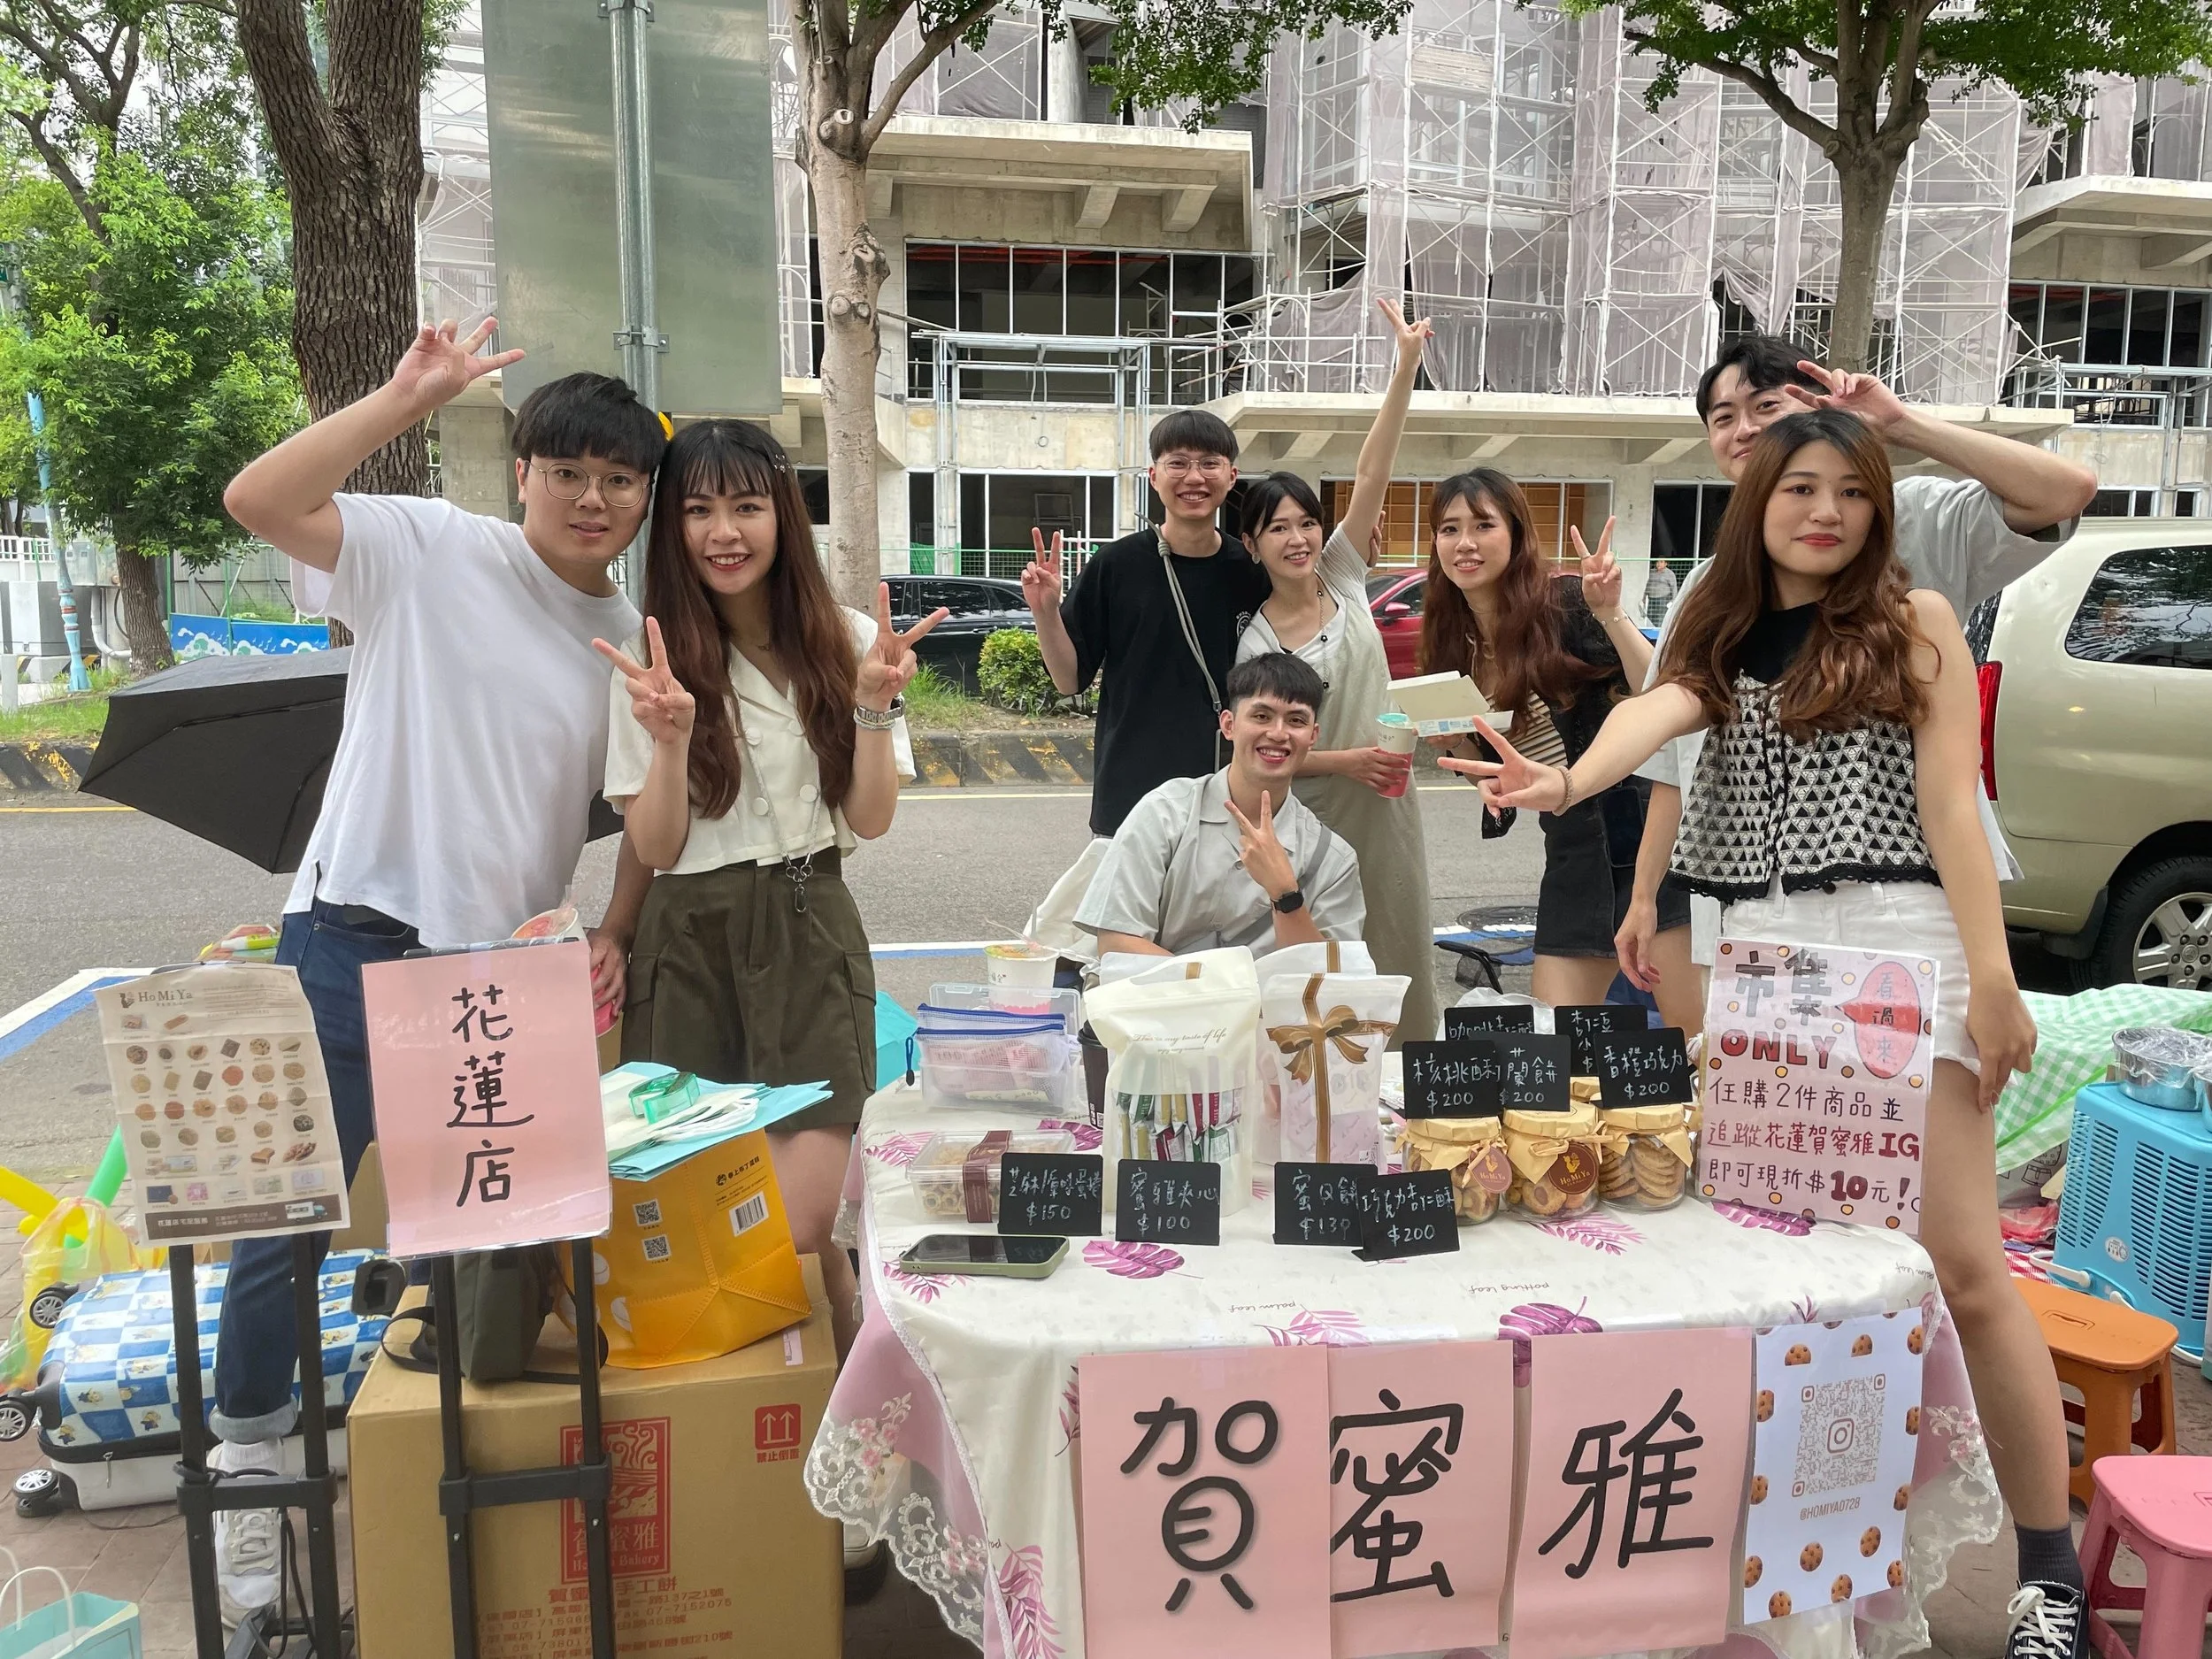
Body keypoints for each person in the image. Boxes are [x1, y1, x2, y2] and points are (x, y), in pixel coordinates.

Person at [1453, 408, 2084, 1659]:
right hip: (1770, 969)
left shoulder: (1918, 626)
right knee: (1781, 1262)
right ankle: (1807, 1546)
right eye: (1802, 486)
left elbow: (1956, 813)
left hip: (1904, 952)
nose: (1827, 511)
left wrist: (1996, 978)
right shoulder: (1716, 633)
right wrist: (1567, 781)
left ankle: (2046, 1571)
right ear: (1759, 502)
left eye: (1853, 491)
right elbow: (1656, 720)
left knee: (1963, 1261)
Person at [218, 320, 666, 1618]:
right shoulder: (426, 546)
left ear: (643, 495)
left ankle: (478, 1488)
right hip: (353, 930)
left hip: (499, 967)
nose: (594, 497)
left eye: (620, 478)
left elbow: (634, 810)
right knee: (289, 1217)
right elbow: (257, 497)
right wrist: (402, 395)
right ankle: (250, 1449)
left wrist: (608, 923)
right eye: (569, 469)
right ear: (519, 469)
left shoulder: (628, 633)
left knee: (491, 1237)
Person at [1616, 334, 2098, 1020]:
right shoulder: (1707, 591)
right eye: (1723, 417)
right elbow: (1675, 760)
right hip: (1753, 903)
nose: (1745, 428)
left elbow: (2066, 491)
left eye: (1764, 404)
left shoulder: (1912, 518)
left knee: (1913, 1104)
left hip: (1903, 894)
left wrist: (1905, 427)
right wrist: (1644, 898)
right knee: (1781, 1109)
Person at [591, 419, 941, 1360]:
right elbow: (656, 844)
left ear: (781, 514)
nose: (723, 532)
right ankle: (798, 1451)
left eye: (745, 506)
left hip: (807, 920)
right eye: (698, 510)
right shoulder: (647, 652)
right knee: (714, 1212)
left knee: (799, 1218)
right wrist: (668, 738)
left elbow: (869, 819)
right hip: (688, 935)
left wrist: (872, 705)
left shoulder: (849, 639)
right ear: (674, 528)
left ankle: (832, 1430)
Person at [1235, 297, 1438, 1040]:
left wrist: (1406, 362)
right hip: (1313, 813)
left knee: (1398, 936)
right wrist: (1352, 760)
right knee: (1319, 954)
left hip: (1387, 804)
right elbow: (1266, 747)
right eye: (1277, 528)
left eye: (1306, 522)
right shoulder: (1254, 641)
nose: (1298, 537)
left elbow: (1372, 465)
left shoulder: (1346, 573)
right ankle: (1323, 1088)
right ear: (1253, 545)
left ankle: (1409, 1082)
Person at [1418, 471, 1693, 1015]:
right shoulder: (1451, 643)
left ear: (1517, 534)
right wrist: (1461, 748)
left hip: (1646, 836)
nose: (1464, 543)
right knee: (1553, 1047)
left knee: (1699, 1041)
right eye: (1449, 529)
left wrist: (1610, 612)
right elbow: (1504, 788)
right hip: (1571, 848)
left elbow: (1658, 694)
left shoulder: (1567, 602)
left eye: (1483, 525)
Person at [1025, 409, 1271, 838]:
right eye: (1178, 463)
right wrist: (1046, 612)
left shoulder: (1252, 571)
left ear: (1231, 476)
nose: (1194, 477)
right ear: (1153, 476)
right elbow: (1068, 680)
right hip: (1131, 791)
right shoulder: (1116, 566)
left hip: (1229, 789)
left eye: (1209, 463)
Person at [1077, 652, 1365, 956]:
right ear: (1228, 725)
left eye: (1296, 720)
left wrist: (1286, 894)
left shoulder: (1334, 860)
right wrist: (1233, 990)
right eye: (1261, 716)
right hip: (1160, 1002)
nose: (1278, 733)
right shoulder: (1165, 814)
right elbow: (1117, 943)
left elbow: (1328, 982)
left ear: (1313, 736)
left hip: (1267, 1006)